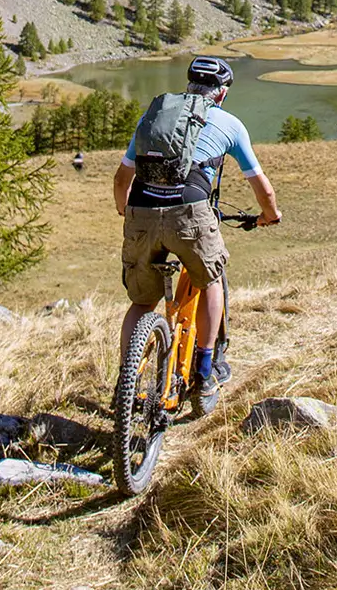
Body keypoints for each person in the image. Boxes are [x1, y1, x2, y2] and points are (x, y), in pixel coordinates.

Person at [112, 56, 280, 414]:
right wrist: (270, 215)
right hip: (190, 213)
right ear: (221, 94)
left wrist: (124, 210)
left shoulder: (154, 117)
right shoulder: (229, 124)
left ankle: (124, 386)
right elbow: (261, 186)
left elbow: (121, 178)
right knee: (211, 281)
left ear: (189, 87)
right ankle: (204, 375)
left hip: (141, 209)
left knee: (141, 303)